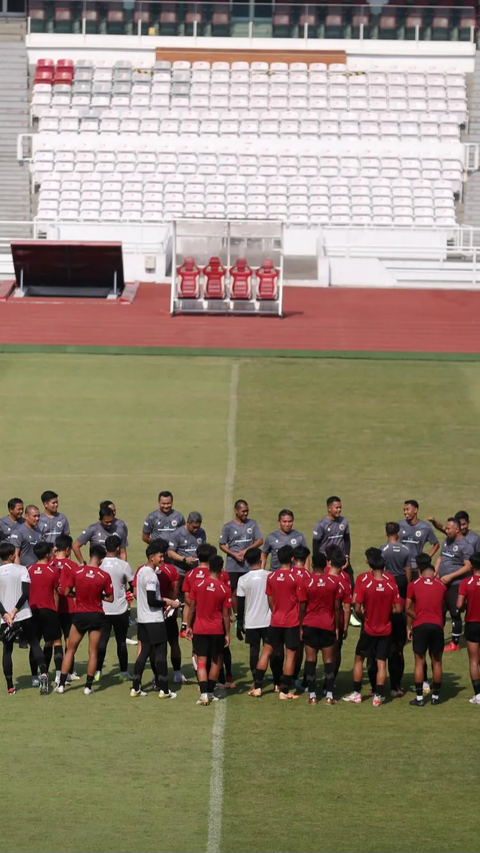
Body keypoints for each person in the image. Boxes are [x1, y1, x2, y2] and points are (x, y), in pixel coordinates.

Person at [343, 548, 401, 707]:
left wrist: (365, 617)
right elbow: (398, 609)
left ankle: (356, 693)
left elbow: (357, 606)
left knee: (359, 659)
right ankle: (378, 697)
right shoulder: (391, 583)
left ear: (370, 564)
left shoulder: (364, 582)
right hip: (386, 629)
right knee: (382, 662)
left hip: (369, 628)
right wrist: (386, 612)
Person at [55, 545, 113, 696]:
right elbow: (110, 598)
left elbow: (66, 592)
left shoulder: (77, 572)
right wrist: (98, 597)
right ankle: (88, 687)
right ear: (101, 559)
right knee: (92, 652)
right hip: (96, 615)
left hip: (80, 614)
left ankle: (61, 685)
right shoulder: (104, 576)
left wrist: (77, 595)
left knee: (71, 650)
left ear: (90, 554)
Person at [248, 545, 303, 701]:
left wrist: (277, 612)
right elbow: (300, 602)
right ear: (292, 559)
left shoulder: (271, 577)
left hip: (275, 621)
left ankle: (258, 687)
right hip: (291, 622)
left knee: (266, 652)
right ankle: (284, 690)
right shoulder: (296, 578)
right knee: (290, 656)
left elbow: (270, 600)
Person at [131, 541, 179, 699]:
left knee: (144, 652)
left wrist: (164, 599)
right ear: (152, 557)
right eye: (160, 556)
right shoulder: (151, 576)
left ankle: (135, 687)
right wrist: (169, 602)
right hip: (154, 621)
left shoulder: (141, 572)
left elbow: (148, 596)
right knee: (160, 654)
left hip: (143, 620)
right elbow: (153, 600)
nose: (163, 558)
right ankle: (164, 690)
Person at [0, 541, 48, 694]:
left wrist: (6, 614)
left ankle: (10, 686)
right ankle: (44, 674)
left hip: (5, 619)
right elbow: (26, 594)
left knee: (7, 650)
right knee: (34, 643)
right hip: (24, 615)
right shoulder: (22, 570)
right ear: (11, 556)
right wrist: (14, 612)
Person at [186, 554, 231, 706]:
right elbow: (226, 615)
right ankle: (210, 692)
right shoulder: (224, 589)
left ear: (209, 568)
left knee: (201, 662)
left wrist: (188, 625)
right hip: (217, 630)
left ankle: (204, 693)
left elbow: (192, 608)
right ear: (221, 569)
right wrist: (227, 634)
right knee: (216, 662)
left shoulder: (197, 586)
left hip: (200, 629)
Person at [299, 553, 343, 705]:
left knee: (310, 660)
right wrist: (337, 627)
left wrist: (301, 626)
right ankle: (330, 696)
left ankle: (312, 696)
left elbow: (302, 608)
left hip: (310, 624)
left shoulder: (306, 582)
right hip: (327, 624)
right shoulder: (333, 582)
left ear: (312, 566)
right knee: (329, 660)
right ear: (326, 565)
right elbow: (337, 607)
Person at [406, 553, 446, 707]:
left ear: (421, 572)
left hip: (420, 626)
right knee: (437, 662)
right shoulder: (441, 586)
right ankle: (435, 697)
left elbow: (407, 608)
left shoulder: (414, 585)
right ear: (433, 572)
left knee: (419, 662)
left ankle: (420, 698)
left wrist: (417, 618)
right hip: (437, 626)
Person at [236, 547, 281, 684]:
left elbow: (240, 604)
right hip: (268, 621)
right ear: (261, 559)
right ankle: (277, 683)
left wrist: (239, 623)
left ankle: (257, 682)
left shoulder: (243, 579)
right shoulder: (270, 576)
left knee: (254, 651)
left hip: (251, 622)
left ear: (247, 562)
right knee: (272, 651)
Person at [95, 534, 134, 683]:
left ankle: (97, 670)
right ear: (118, 548)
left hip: (103, 609)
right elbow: (132, 584)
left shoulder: (100, 563)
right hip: (120, 609)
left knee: (102, 641)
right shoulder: (124, 565)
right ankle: (123, 672)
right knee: (121, 641)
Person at [153, 538, 189, 685]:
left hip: (151, 612)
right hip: (167, 611)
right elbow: (174, 592)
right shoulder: (171, 569)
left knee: (154, 646)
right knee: (173, 642)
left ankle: (157, 677)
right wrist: (172, 607)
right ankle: (177, 673)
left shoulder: (145, 569)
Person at [435, 516, 474, 652]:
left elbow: (468, 566)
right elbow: (441, 557)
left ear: (457, 529)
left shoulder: (465, 545)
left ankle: (455, 643)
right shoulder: (447, 540)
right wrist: (435, 572)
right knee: (439, 611)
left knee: (455, 613)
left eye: (449, 528)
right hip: (442, 583)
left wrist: (450, 576)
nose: (446, 529)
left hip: (456, 584)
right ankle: (437, 639)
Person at [28, 540, 64, 686]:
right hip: (49, 610)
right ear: (48, 554)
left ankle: (34, 677)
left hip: (32, 611)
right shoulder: (53, 571)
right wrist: (55, 610)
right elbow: (56, 593)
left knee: (35, 644)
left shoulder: (29, 569)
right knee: (55, 641)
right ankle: (57, 675)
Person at [48, 534, 80, 682]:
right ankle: (69, 672)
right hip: (69, 607)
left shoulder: (49, 564)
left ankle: (58, 673)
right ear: (67, 549)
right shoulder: (72, 566)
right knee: (70, 640)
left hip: (52, 607)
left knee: (55, 641)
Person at [219, 500, 263, 593]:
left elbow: (260, 540)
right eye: (243, 511)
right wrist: (234, 554)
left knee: (250, 591)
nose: (246, 513)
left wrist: (245, 551)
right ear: (236, 511)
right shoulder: (228, 526)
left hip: (248, 564)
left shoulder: (252, 524)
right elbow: (222, 544)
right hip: (233, 566)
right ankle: (237, 609)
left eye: (247, 511)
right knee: (234, 591)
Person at [325, 546, 352, 681]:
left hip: (320, 618)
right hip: (338, 621)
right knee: (336, 652)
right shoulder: (345, 577)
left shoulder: (322, 573)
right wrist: (346, 627)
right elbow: (347, 607)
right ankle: (330, 682)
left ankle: (309, 682)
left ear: (328, 561)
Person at [457, 554, 480, 704]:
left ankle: (478, 695)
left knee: (474, 661)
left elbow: (459, 605)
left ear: (471, 566)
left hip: (472, 623)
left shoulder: (466, 582)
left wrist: (467, 604)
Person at [397, 500, 439, 576]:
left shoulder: (425, 528)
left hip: (416, 567)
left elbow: (436, 544)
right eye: (404, 510)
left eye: (407, 509)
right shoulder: (399, 525)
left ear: (415, 510)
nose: (405, 512)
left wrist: (427, 558)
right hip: (401, 567)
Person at [167, 511, 207, 589]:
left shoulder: (201, 533)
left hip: (196, 572)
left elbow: (203, 549)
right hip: (180, 572)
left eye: (198, 527)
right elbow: (170, 552)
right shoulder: (177, 534)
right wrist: (184, 559)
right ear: (187, 523)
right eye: (194, 527)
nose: (196, 530)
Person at [381, 522, 412, 600]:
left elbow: (380, 567)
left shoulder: (383, 549)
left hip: (387, 579)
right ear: (398, 533)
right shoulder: (406, 550)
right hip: (401, 580)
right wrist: (407, 584)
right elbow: (408, 569)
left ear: (386, 533)